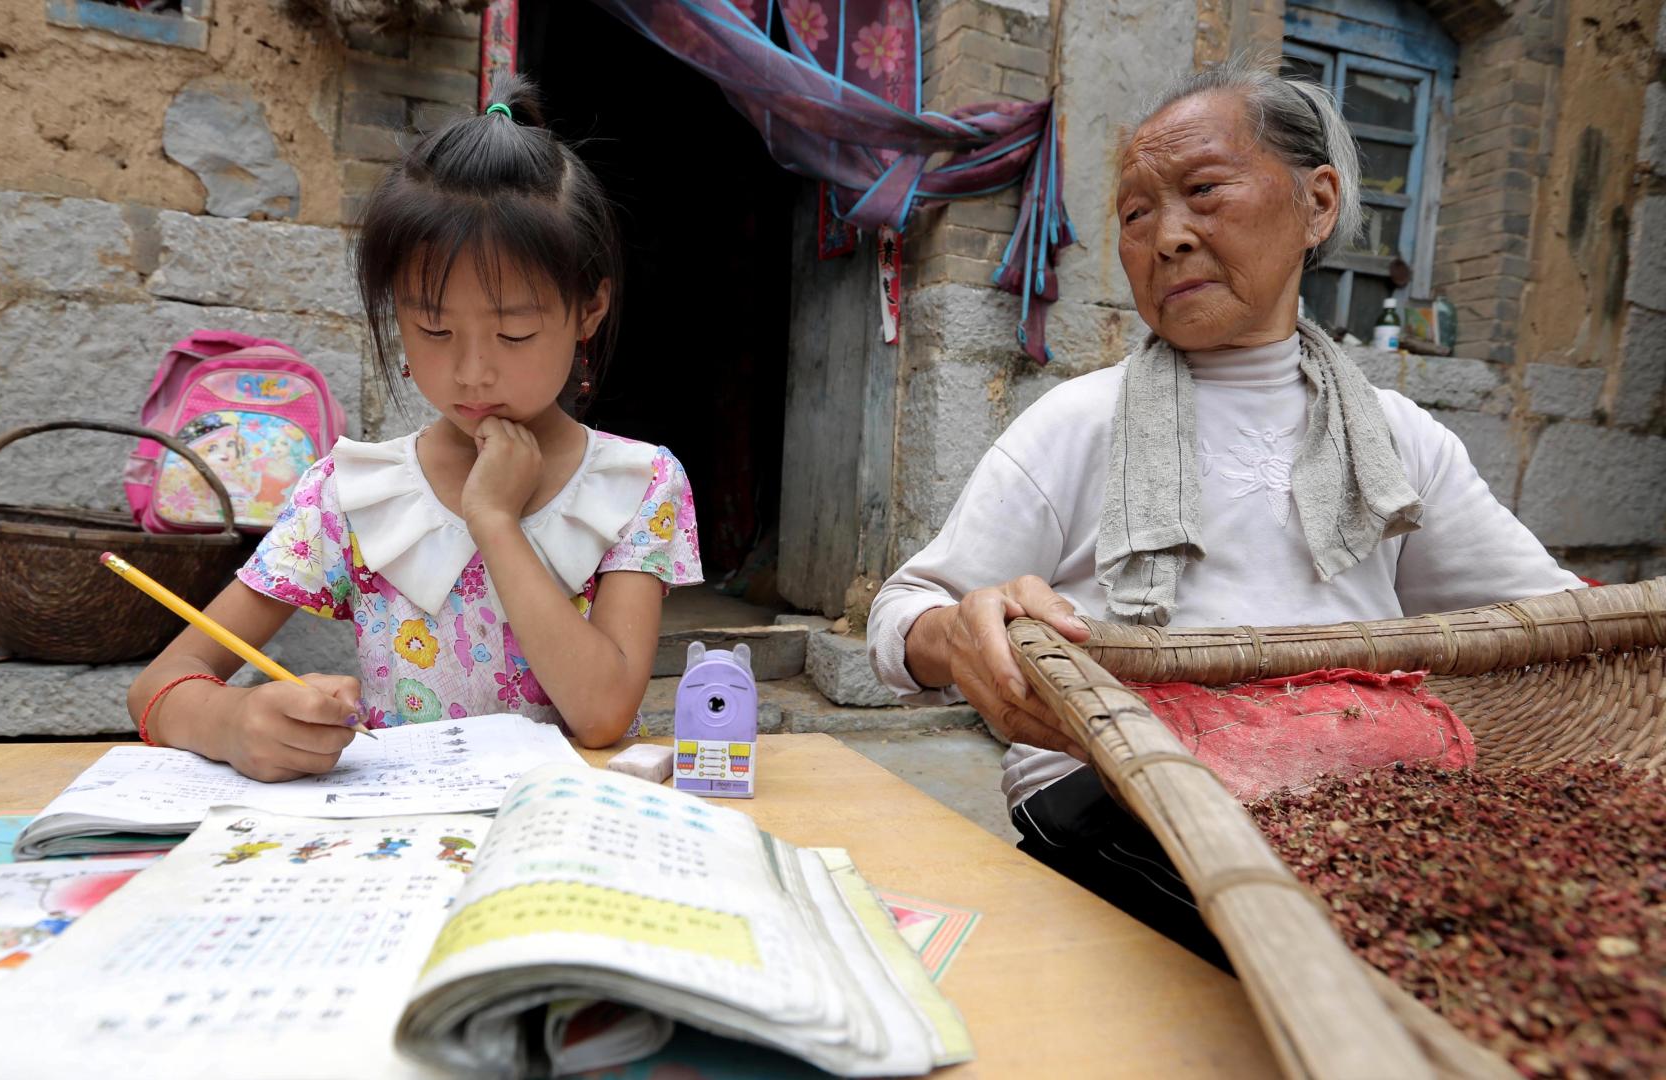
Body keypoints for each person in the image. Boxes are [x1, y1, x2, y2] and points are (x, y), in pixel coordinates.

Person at [866, 61, 1581, 963]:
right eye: (1134, 215)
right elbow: (901, 614)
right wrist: (957, 638)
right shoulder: (1081, 420)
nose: (1166, 238)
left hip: (1353, 793)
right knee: (1340, 958)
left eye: (1204, 191)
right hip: (1120, 797)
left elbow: (1557, 619)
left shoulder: (1396, 439)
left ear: (1316, 204)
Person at [127, 74, 701, 782]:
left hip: (564, 854)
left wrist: (493, 518)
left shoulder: (639, 486)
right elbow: (159, 684)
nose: (471, 372)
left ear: (589, 309)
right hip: (401, 854)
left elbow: (603, 711)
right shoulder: (352, 494)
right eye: (432, 328)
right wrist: (235, 722)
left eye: (514, 333)